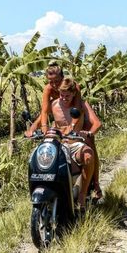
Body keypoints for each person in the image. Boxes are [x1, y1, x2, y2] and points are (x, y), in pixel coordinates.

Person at [25, 62, 102, 199]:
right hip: (59, 125)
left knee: (90, 147)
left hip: (75, 124)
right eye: (51, 81)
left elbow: (77, 109)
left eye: (57, 81)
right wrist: (43, 129)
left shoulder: (74, 88)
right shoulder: (48, 90)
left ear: (63, 78)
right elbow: (44, 112)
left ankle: (94, 184)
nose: (54, 84)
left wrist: (72, 129)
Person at [51, 78, 102, 209]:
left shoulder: (81, 105)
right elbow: (54, 124)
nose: (63, 98)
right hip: (60, 144)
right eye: (61, 95)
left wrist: (89, 133)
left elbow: (97, 123)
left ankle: (82, 195)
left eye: (67, 96)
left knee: (88, 156)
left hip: (75, 144)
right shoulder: (54, 105)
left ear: (74, 93)